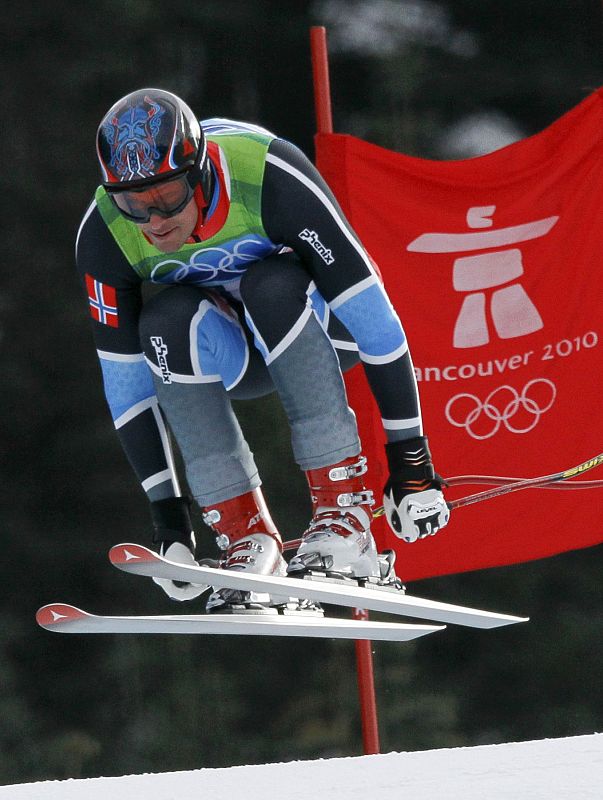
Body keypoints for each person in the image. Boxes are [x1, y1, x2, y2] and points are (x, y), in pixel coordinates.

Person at [75, 88, 450, 612]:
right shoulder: (105, 233)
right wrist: (170, 522)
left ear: (200, 172)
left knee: (269, 283)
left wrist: (411, 463)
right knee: (162, 323)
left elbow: (379, 328)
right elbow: (128, 391)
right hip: (237, 354)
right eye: (134, 203)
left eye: (166, 197)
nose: (154, 221)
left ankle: (345, 518)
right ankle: (246, 538)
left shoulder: (267, 173)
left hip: (323, 330)